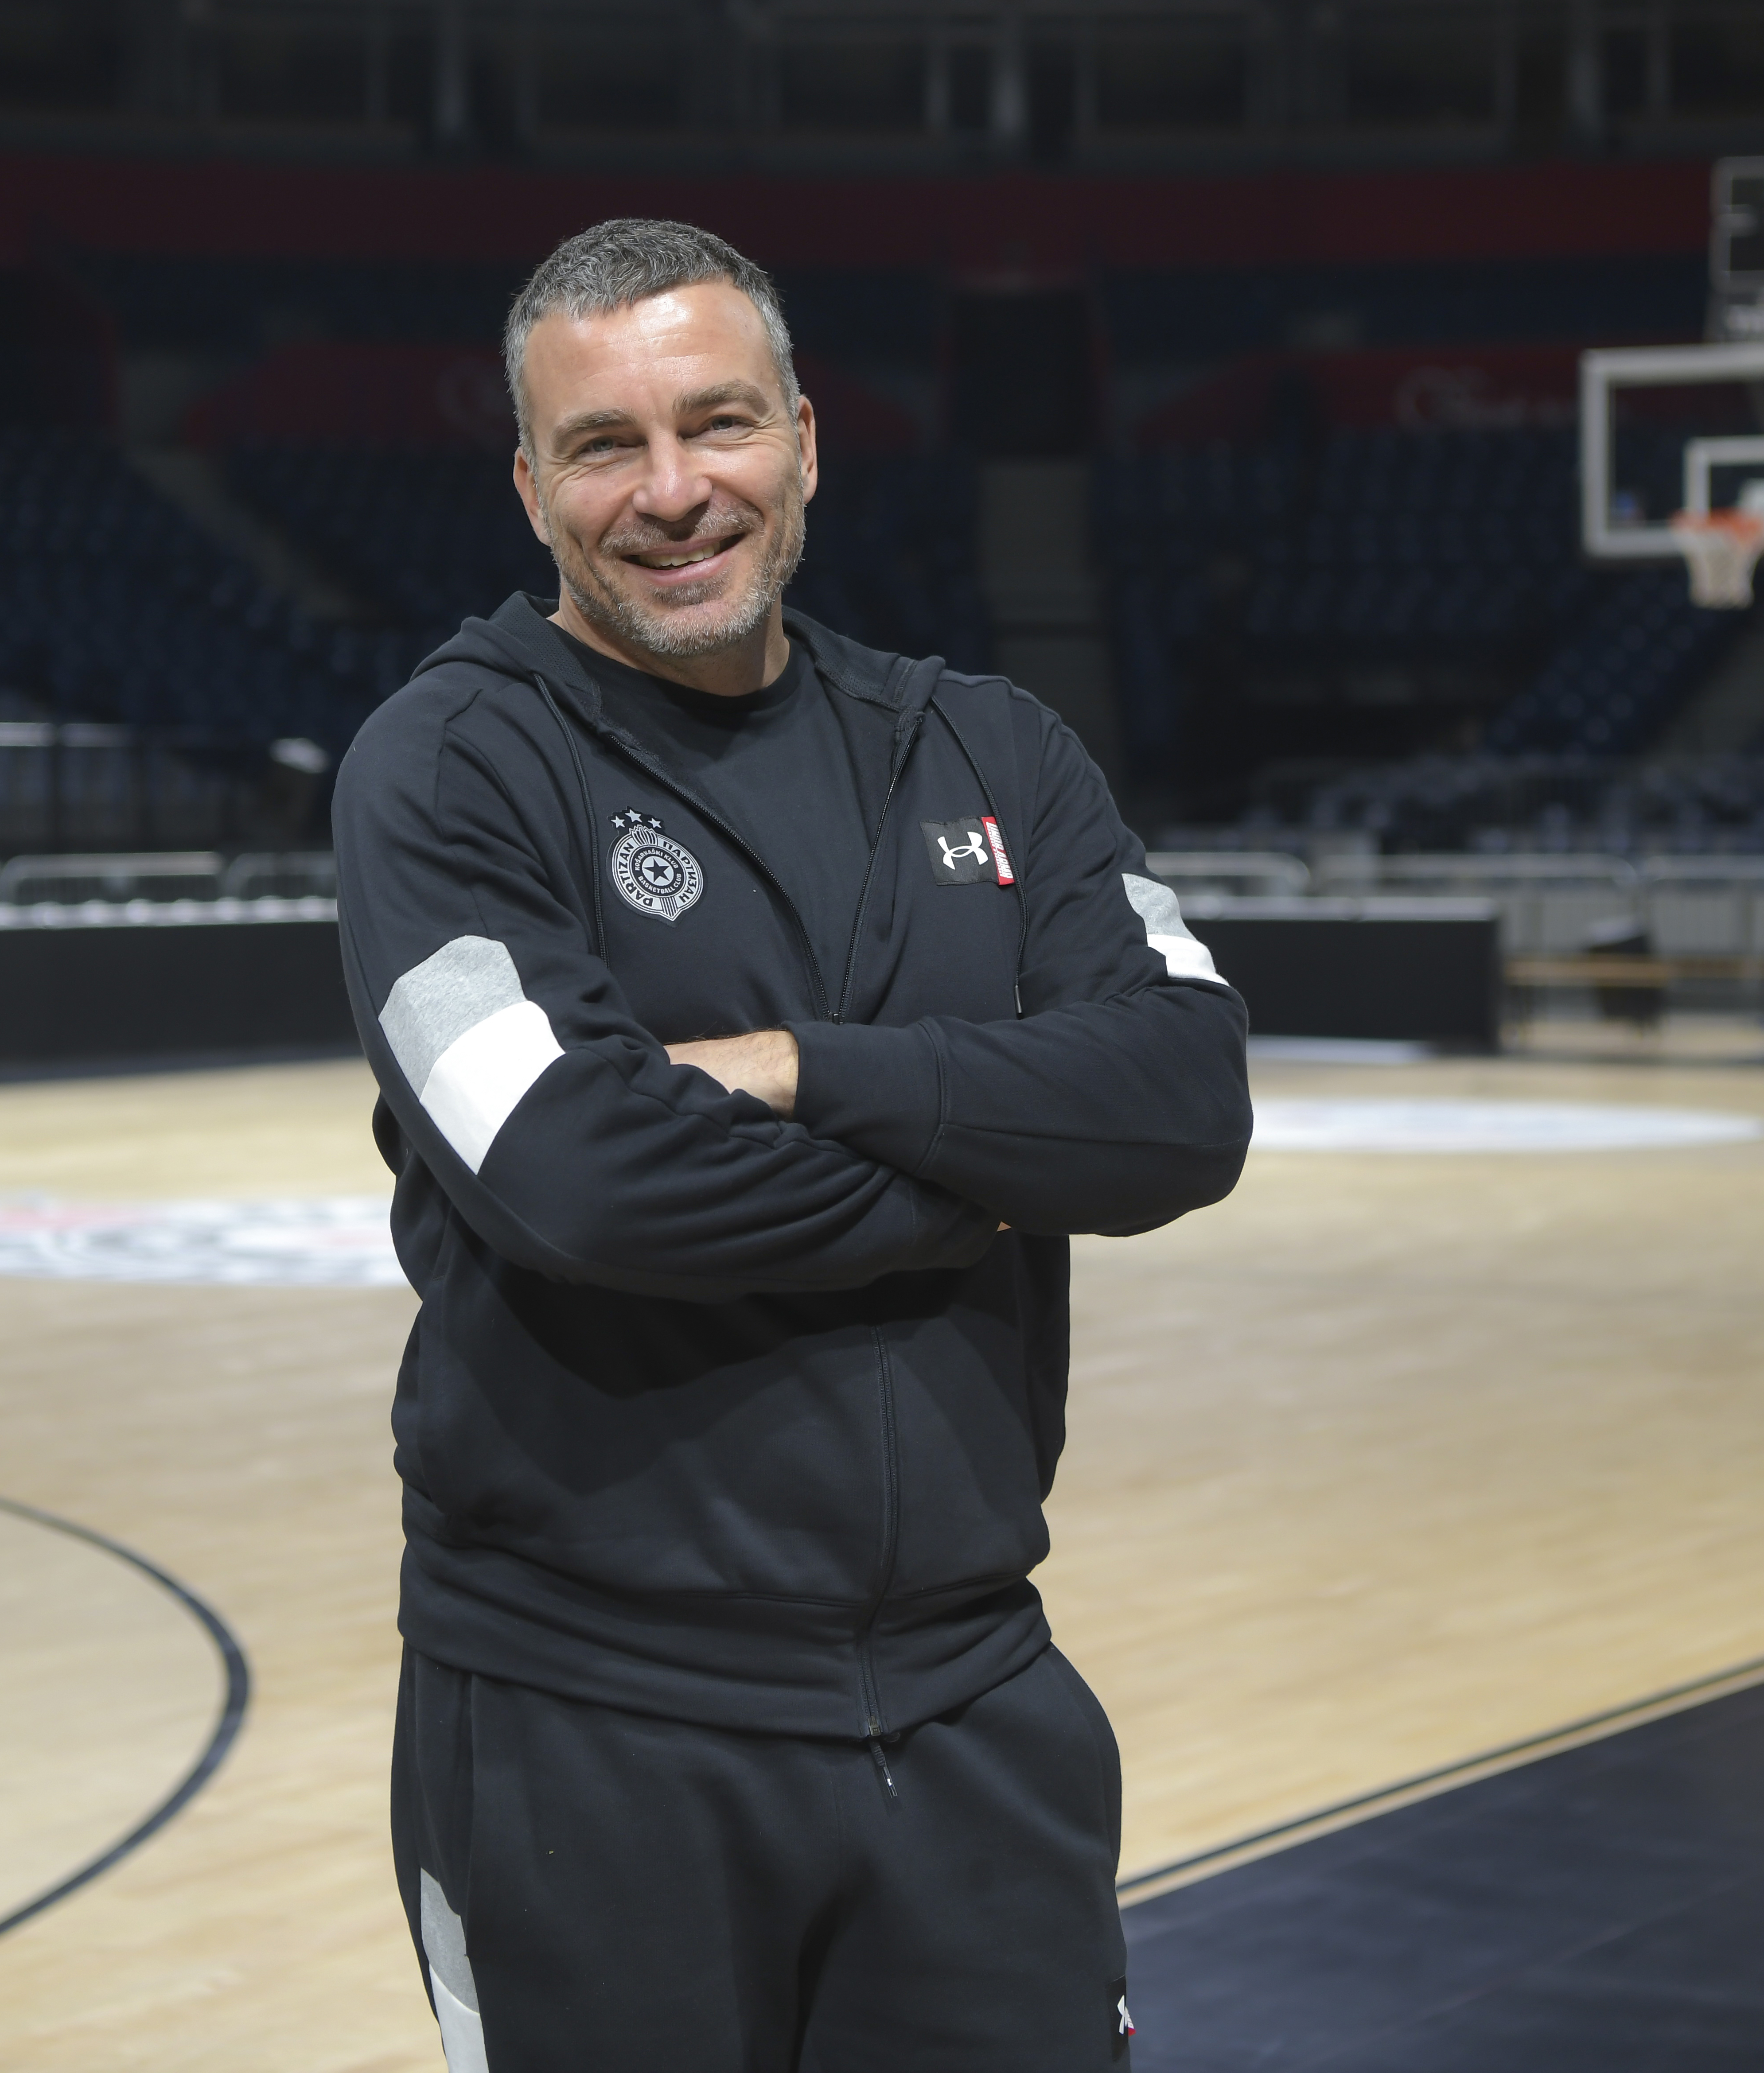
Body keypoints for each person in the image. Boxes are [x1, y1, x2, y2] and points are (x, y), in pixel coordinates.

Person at [333, 217, 1252, 2073]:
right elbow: (583, 1174)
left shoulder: (993, 751)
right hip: (590, 1732)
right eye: (606, 446)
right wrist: (995, 1156)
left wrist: (795, 1069)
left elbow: (1180, 1102)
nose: (674, 493)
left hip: (979, 1701)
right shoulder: (443, 776)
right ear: (531, 488)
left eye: (720, 425)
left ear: (808, 442)